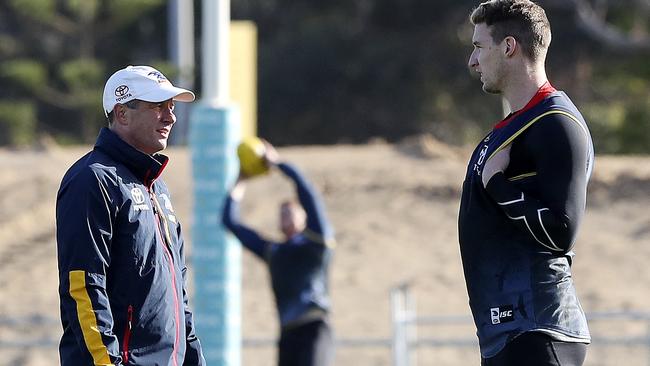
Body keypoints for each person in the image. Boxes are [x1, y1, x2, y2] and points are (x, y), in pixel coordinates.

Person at [459, 1, 594, 365]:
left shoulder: (556, 122)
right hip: (506, 336)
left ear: (508, 47)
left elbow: (561, 230)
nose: (473, 62)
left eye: (478, 47)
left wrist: (499, 186)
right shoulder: (513, 125)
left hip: (539, 332)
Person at [56, 65, 205, 365]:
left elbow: (179, 294)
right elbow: (84, 287)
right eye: (157, 106)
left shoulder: (158, 188)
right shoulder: (92, 180)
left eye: (171, 106)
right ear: (122, 113)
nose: (170, 116)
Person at [222, 141, 335, 366]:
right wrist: (240, 179)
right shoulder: (273, 251)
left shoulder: (317, 242)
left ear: (304, 218)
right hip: (287, 334)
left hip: (314, 329)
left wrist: (278, 163)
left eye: (290, 212)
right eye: (281, 213)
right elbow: (230, 222)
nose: (284, 216)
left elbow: (308, 192)